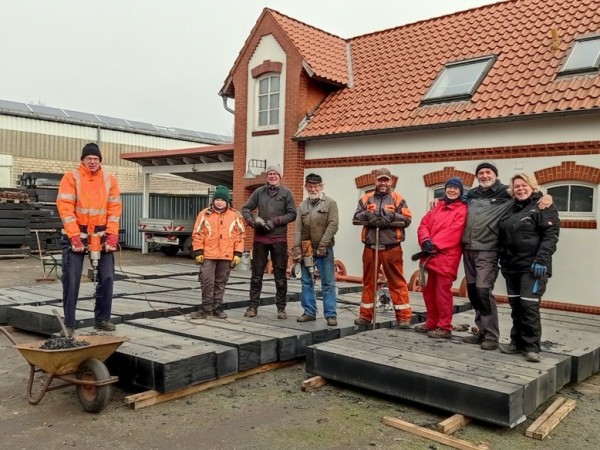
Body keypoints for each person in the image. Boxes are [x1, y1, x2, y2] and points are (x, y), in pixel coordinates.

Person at [461, 161, 552, 350]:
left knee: (483, 291)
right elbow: (454, 200)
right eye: (481, 173)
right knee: (473, 292)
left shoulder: (505, 192)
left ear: (495, 174)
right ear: (477, 176)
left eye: (488, 172)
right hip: (468, 249)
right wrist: (439, 200)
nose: (484, 176)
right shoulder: (471, 194)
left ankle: (492, 336)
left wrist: (546, 197)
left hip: (488, 249)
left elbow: (526, 195)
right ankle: (482, 331)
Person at [57, 142, 122, 336]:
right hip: (76, 234)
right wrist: (75, 237)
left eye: (96, 158)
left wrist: (111, 235)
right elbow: (65, 207)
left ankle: (102, 319)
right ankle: (69, 324)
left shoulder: (109, 179)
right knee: (71, 278)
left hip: (101, 235)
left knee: (108, 276)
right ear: (83, 160)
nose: (92, 161)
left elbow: (114, 209)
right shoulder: (71, 177)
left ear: (100, 160)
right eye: (89, 158)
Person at [497, 174, 559, 362]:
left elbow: (551, 235)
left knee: (529, 305)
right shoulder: (510, 208)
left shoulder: (542, 206)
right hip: (511, 267)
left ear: (532, 186)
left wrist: (541, 260)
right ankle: (517, 342)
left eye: (524, 185)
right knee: (516, 306)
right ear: (512, 190)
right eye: (517, 187)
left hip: (533, 268)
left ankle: (532, 346)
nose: (520, 189)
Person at [352, 167, 413, 328]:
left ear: (391, 181)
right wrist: (367, 215)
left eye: (386, 180)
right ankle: (365, 316)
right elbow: (356, 216)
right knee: (369, 281)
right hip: (371, 246)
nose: (383, 183)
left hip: (392, 247)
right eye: (380, 180)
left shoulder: (398, 199)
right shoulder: (366, 198)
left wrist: (393, 216)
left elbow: (407, 219)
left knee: (397, 281)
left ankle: (404, 317)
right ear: (376, 181)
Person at [241, 164, 297, 319]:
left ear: (280, 176)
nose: (272, 176)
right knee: (257, 274)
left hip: (279, 240)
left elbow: (292, 214)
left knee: (280, 275)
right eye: (270, 174)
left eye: (275, 174)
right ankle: (253, 307)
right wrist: (253, 222)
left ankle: (281, 308)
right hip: (260, 239)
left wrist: (276, 221)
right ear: (267, 176)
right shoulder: (259, 192)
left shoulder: (287, 194)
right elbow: (246, 209)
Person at [415, 177, 468, 338]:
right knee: (428, 292)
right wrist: (425, 241)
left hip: (446, 258)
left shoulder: (462, 210)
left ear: (460, 191)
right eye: (449, 187)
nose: (452, 190)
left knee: (442, 293)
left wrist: (434, 244)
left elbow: (456, 231)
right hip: (429, 257)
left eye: (455, 188)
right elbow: (423, 224)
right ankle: (431, 322)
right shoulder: (437, 207)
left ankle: (444, 327)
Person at [190, 186, 245, 320]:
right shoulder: (204, 214)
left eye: (222, 200)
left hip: (226, 255)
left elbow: (240, 235)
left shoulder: (235, 215)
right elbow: (197, 234)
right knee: (206, 281)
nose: (219, 202)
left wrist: (237, 253)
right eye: (217, 199)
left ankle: (217, 308)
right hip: (208, 254)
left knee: (221, 282)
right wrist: (198, 251)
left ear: (227, 201)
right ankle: (206, 309)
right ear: (213, 200)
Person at [292, 173, 339, 326]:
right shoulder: (302, 206)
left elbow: (333, 225)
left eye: (316, 186)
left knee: (328, 283)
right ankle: (309, 312)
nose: (313, 189)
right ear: (306, 187)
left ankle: (331, 314)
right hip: (307, 248)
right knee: (306, 281)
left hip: (325, 248)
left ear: (321, 186)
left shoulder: (330, 203)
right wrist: (296, 248)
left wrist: (324, 243)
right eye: (310, 186)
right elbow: (298, 229)